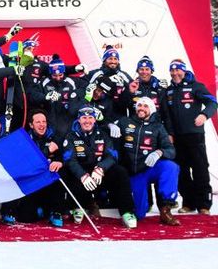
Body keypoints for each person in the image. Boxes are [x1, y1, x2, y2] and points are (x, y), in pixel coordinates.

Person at [63, 106, 138, 228]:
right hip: (82, 174)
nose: (87, 121)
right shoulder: (71, 136)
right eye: (84, 118)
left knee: (120, 172)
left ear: (94, 120)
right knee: (69, 172)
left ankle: (127, 211)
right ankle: (78, 206)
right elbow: (69, 160)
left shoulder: (102, 134)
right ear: (79, 120)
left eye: (90, 118)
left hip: (98, 173)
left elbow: (112, 155)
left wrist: (101, 168)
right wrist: (82, 175)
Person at [163, 59, 217, 214]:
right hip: (177, 138)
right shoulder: (169, 91)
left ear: (184, 71)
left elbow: (213, 102)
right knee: (181, 170)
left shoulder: (196, 86)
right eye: (172, 71)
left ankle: (204, 205)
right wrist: (170, 134)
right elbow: (167, 115)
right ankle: (188, 202)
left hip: (195, 135)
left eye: (177, 70)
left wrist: (204, 115)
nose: (175, 74)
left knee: (200, 168)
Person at [116, 97, 180, 225]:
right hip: (134, 173)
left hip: (150, 168)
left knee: (171, 167)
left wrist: (159, 152)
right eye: (139, 105)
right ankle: (139, 209)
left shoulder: (158, 127)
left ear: (151, 109)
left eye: (145, 106)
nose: (141, 109)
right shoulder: (125, 121)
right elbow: (102, 126)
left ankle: (166, 207)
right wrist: (111, 125)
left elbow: (171, 150)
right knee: (139, 213)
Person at [13, 109, 67, 227]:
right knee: (26, 218)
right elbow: (28, 162)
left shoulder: (54, 136)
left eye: (44, 122)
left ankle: (56, 212)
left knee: (61, 174)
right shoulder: (25, 139)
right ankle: (42, 210)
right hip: (32, 183)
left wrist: (60, 162)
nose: (42, 125)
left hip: (50, 182)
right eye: (38, 122)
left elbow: (65, 157)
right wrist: (47, 151)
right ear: (31, 125)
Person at [29, 55, 84, 136]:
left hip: (69, 122)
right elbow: (33, 95)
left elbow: (86, 87)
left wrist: (75, 94)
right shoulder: (44, 82)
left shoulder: (71, 81)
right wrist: (45, 97)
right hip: (51, 122)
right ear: (50, 73)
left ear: (64, 72)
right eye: (54, 76)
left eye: (60, 75)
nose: (58, 78)